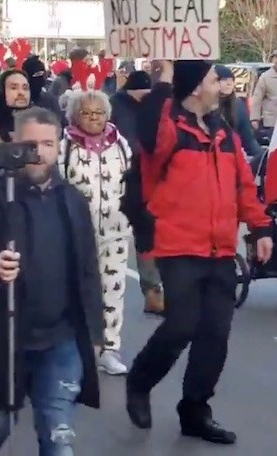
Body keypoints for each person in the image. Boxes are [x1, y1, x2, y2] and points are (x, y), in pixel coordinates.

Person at [125, 60, 273, 445]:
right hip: (178, 247)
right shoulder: (168, 129)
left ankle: (194, 410)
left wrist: (259, 228)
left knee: (215, 336)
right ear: (193, 88)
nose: (220, 84)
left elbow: (243, 185)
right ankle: (140, 381)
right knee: (181, 326)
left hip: (220, 249)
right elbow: (149, 134)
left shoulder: (223, 131)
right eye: (212, 78)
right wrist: (165, 79)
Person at [0, 107, 103, 456]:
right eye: (30, 144)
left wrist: (95, 333)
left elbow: (88, 270)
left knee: (57, 435)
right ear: (15, 144)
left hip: (61, 340)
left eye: (48, 144)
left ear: (58, 146)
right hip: (5, 337)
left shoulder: (73, 200)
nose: (39, 153)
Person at [60, 89, 131, 375]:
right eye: (86, 113)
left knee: (112, 292)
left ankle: (109, 349)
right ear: (75, 116)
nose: (93, 119)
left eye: (98, 113)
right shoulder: (65, 146)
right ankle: (75, 349)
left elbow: (133, 182)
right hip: (75, 234)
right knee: (75, 292)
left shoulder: (121, 144)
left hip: (115, 231)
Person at [109, 70, 164, 314]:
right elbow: (127, 139)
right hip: (121, 178)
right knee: (119, 237)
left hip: (147, 176)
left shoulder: (149, 107)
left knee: (148, 232)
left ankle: (153, 291)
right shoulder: (115, 107)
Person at [215, 65, 264, 158]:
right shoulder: (205, 106)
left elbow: (248, 140)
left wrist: (263, 156)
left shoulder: (239, 106)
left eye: (231, 80)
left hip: (231, 158)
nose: (229, 83)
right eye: (224, 80)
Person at [250, 49, 277, 139]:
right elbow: (257, 98)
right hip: (272, 122)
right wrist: (255, 119)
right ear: (273, 60)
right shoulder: (265, 77)